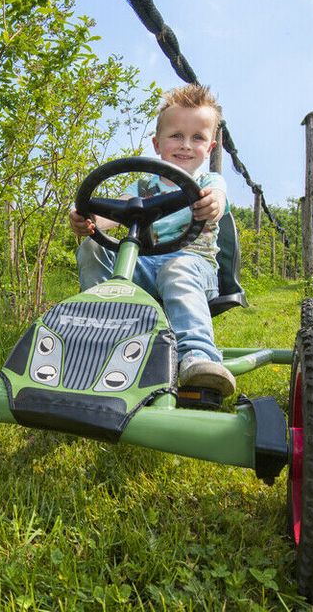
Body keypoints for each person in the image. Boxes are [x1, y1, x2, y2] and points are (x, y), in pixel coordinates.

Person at [68, 84, 236, 396]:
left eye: (197, 137)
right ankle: (99, 337)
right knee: (93, 246)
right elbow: (113, 214)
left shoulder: (208, 182)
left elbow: (218, 198)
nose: (185, 145)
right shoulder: (142, 187)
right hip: (145, 267)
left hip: (195, 268)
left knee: (177, 269)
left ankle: (196, 357)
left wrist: (213, 202)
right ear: (158, 143)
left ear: (209, 148)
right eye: (176, 136)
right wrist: (89, 220)